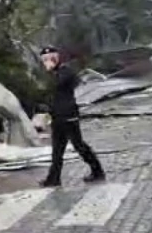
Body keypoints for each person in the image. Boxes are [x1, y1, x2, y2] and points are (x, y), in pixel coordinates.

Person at [39, 46, 106, 187]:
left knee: (79, 145)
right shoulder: (52, 73)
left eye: (51, 58)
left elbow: (57, 85)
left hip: (68, 115)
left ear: (57, 58)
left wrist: (49, 73)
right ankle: (54, 178)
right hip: (56, 116)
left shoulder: (66, 72)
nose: (48, 61)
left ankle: (97, 170)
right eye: (45, 59)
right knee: (57, 149)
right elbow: (44, 91)